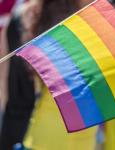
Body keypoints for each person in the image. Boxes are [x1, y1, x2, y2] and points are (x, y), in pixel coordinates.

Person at [0, 0, 97, 149]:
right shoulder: (95, 25)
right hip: (70, 134)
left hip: (43, 133)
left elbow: (15, 95)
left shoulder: (25, 16)